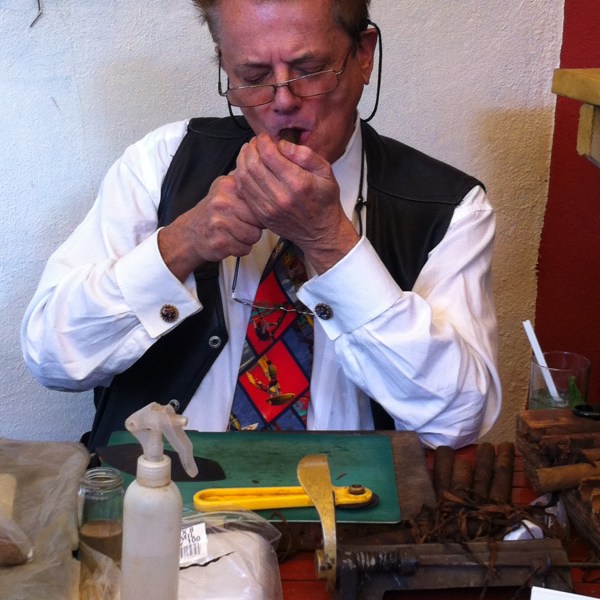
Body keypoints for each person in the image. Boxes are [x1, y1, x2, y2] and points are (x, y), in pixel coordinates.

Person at [21, 0, 501, 451]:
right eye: (253, 77)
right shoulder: (163, 163)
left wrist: (330, 243)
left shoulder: (449, 208)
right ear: (224, 65)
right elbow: (51, 357)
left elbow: (457, 421)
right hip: (161, 499)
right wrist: (180, 246)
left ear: (363, 55)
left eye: (309, 70)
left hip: (348, 506)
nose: (283, 101)